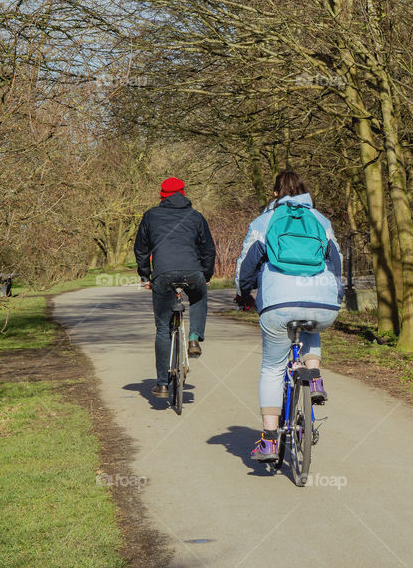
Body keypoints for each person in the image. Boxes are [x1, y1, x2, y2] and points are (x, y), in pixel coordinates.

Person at [234, 170, 343, 460]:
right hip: (322, 299)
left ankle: (269, 439)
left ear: (275, 195)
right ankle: (315, 377)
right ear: (305, 192)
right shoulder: (320, 220)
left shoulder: (264, 221)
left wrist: (244, 293)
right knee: (313, 322)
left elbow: (247, 263)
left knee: (272, 368)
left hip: (278, 304)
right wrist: (336, 294)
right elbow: (336, 261)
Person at [135, 177, 216, 398]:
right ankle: (194, 338)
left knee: (163, 328)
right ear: (183, 193)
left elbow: (141, 249)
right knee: (198, 296)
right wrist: (206, 275)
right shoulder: (196, 217)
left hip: (162, 274)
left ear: (162, 196)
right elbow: (208, 250)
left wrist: (145, 275)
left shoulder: (151, 216)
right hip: (193, 272)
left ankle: (161, 384)